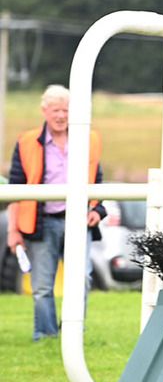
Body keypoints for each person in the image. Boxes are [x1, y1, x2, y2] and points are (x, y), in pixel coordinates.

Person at [6, 85, 105, 341]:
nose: (61, 116)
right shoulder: (27, 142)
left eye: (66, 110)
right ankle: (46, 336)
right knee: (41, 286)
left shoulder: (89, 139)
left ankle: (73, 333)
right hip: (42, 222)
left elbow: (97, 179)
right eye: (56, 110)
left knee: (82, 279)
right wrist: (13, 230)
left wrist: (97, 209)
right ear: (44, 111)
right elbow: (15, 188)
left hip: (77, 220)